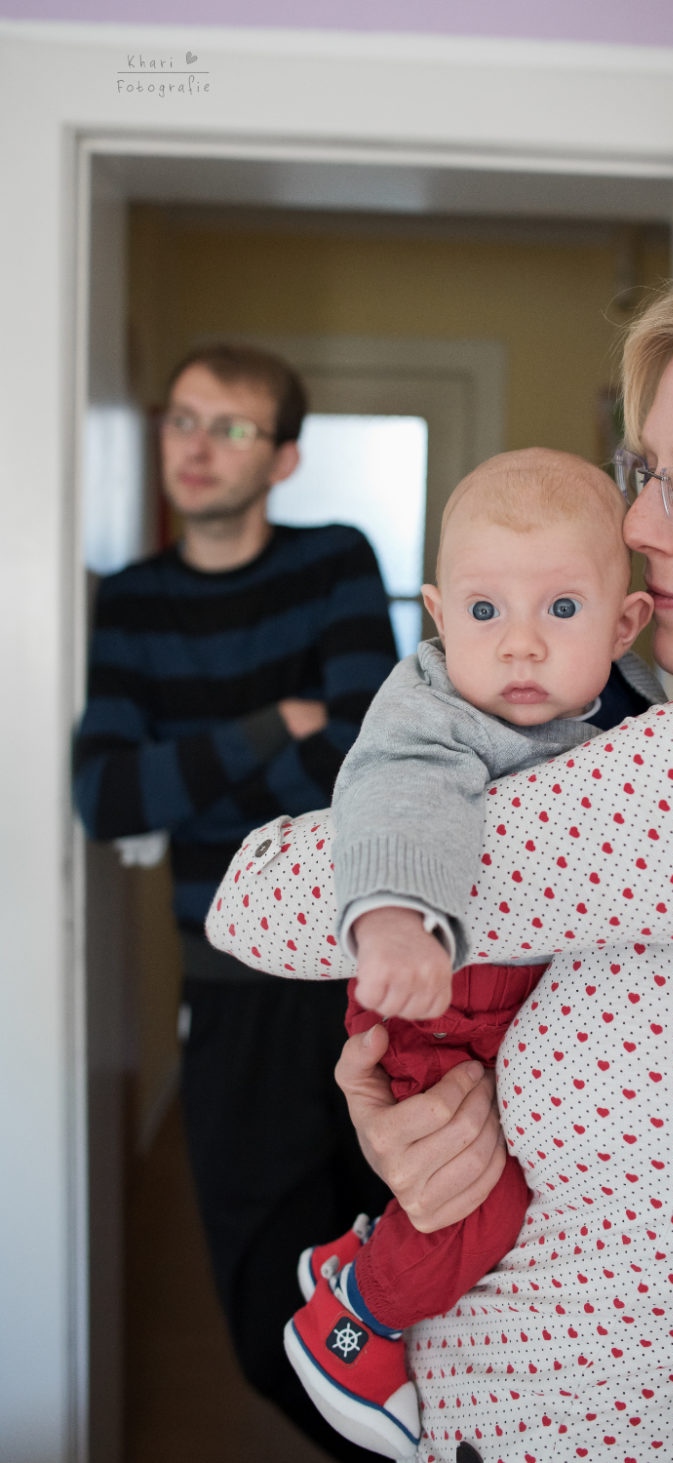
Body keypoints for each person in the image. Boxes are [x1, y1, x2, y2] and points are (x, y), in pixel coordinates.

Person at [205, 267, 673, 1463]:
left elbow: (257, 898)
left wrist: (428, 704)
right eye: (644, 471)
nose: (641, 527)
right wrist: (432, 1138)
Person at [280, 449, 659, 1457]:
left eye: (562, 609)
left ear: (626, 624)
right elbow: (394, 792)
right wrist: (393, 921)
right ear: (441, 617)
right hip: (433, 1008)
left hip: (505, 1015)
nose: (520, 643)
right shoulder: (433, 705)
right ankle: (350, 1323)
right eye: (485, 611)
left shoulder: (637, 717)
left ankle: (354, 1256)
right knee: (480, 1213)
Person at [73, 342, 398, 1460]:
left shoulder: (333, 561)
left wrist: (205, 767)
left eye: (232, 427)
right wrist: (278, 724)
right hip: (229, 988)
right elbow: (108, 796)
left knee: (413, 1274)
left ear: (283, 457)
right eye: (183, 419)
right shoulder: (132, 601)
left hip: (369, 978)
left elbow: (364, 767)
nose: (196, 445)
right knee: (269, 1321)